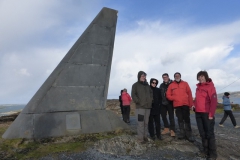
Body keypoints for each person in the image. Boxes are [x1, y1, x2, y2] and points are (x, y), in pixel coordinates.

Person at [194, 71, 217, 159]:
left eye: (202, 76)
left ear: (206, 77)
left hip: (207, 113)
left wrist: (211, 114)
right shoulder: (198, 87)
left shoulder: (210, 87)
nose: (200, 78)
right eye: (199, 77)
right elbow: (197, 100)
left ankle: (212, 154)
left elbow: (213, 102)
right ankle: (205, 150)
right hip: (198, 113)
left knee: (209, 134)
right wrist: (193, 104)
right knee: (202, 133)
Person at [166, 72, 194, 142]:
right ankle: (182, 134)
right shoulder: (171, 85)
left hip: (185, 104)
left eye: (178, 75)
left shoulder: (185, 83)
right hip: (177, 105)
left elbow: (189, 93)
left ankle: (189, 135)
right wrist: (174, 98)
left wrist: (191, 104)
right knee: (180, 120)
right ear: (174, 77)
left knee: (187, 120)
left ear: (180, 76)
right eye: (175, 76)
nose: (177, 76)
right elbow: (168, 95)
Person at [131, 71, 153, 143]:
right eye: (142, 76)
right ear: (139, 77)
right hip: (140, 108)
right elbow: (133, 95)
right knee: (140, 123)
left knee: (146, 123)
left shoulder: (147, 86)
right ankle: (140, 139)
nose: (144, 77)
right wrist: (139, 102)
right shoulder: (135, 85)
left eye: (144, 76)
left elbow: (151, 94)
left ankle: (145, 137)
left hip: (148, 108)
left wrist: (151, 100)